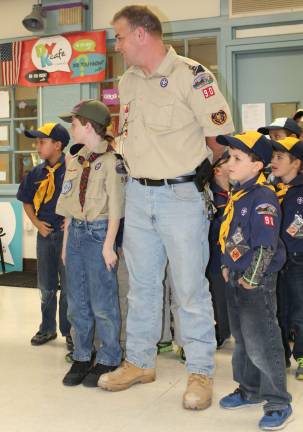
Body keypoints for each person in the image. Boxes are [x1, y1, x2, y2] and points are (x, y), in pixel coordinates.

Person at [99, 5, 234, 411]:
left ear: (142, 34)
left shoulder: (193, 76)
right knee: (141, 286)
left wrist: (200, 180)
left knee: (190, 288)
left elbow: (220, 138)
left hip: (181, 197)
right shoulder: (127, 81)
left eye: (120, 37)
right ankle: (140, 361)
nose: (117, 45)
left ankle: (200, 371)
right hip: (138, 194)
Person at [217, 131, 292, 431]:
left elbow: (265, 245)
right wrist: (226, 265)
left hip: (256, 281)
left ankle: (277, 401)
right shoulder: (240, 195)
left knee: (263, 341)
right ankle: (249, 389)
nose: (228, 163)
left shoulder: (263, 197)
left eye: (237, 158)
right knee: (243, 341)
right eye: (228, 157)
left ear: (257, 165)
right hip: (236, 276)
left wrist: (251, 277)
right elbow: (232, 236)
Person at [56, 99, 125, 387]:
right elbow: (70, 205)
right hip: (76, 236)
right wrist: (65, 243)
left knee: (103, 302)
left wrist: (108, 245)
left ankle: (109, 357)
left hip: (98, 234)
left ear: (87, 125)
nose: (70, 128)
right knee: (76, 302)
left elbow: (117, 209)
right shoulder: (75, 160)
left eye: (73, 123)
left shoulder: (112, 161)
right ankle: (83, 355)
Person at [16, 123, 72, 348]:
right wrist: (36, 223)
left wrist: (71, 220)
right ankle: (47, 328)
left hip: (66, 235)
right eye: (37, 142)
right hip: (45, 235)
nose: (37, 146)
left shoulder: (72, 169)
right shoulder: (36, 173)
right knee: (46, 285)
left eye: (42, 142)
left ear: (57, 145)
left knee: (69, 287)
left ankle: (70, 332)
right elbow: (26, 200)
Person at [271, 137, 303, 380]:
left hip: (298, 260)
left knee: (300, 311)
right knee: (278, 310)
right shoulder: (270, 189)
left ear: (296, 163)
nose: (273, 161)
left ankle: (302, 356)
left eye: (280, 158)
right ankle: (280, 355)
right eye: (273, 157)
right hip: (275, 261)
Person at [207, 151, 231, 348]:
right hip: (216, 257)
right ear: (217, 170)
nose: (232, 164)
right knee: (219, 298)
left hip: (235, 257)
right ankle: (221, 330)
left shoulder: (236, 191)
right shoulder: (211, 195)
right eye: (228, 161)